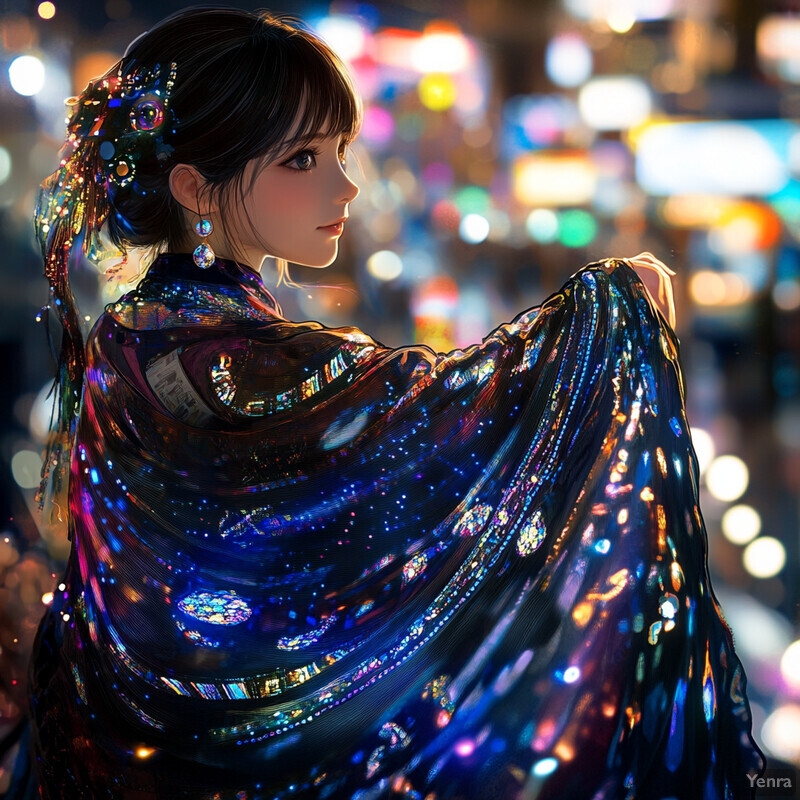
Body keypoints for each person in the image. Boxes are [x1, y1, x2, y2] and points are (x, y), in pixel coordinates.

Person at [7, 6, 767, 799]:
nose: (345, 182)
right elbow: (429, 411)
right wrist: (614, 309)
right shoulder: (218, 363)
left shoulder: (136, 334)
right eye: (303, 159)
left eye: (339, 150)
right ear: (195, 188)